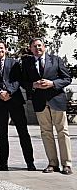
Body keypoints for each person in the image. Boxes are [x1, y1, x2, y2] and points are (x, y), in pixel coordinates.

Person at [21, 38, 72, 175]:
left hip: (56, 100)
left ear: (44, 47)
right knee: (46, 133)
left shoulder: (56, 60)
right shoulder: (27, 63)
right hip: (40, 102)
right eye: (34, 46)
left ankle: (66, 164)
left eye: (39, 45)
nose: (37, 48)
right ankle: (52, 163)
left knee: (62, 132)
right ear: (30, 49)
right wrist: (33, 85)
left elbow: (67, 78)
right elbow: (23, 82)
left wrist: (53, 83)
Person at [0, 41, 36, 171]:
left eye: (1, 48)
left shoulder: (14, 63)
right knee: (2, 133)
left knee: (23, 132)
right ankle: (3, 163)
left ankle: (30, 162)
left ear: (5, 49)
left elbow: (18, 79)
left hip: (15, 101)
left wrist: (9, 92)